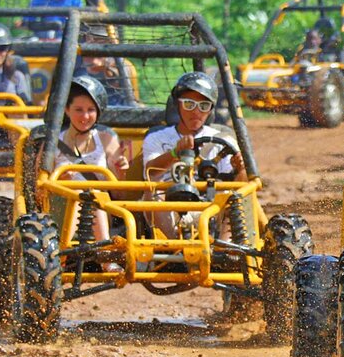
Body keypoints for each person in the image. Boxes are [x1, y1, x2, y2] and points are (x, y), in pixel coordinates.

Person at [142, 72, 246, 238]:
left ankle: (225, 252)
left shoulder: (223, 140)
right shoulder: (157, 137)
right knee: (152, 188)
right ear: (177, 105)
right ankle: (170, 248)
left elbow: (239, 187)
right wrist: (175, 153)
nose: (196, 112)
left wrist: (240, 169)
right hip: (168, 206)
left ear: (211, 109)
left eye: (203, 106)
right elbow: (150, 172)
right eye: (189, 104)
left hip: (211, 207)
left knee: (237, 196)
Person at [54, 75, 129, 273]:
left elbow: (117, 188)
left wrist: (120, 169)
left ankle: (104, 258)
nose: (85, 116)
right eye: (78, 110)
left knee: (91, 196)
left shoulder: (106, 137)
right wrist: (60, 178)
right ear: (66, 110)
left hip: (99, 203)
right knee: (79, 197)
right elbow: (38, 182)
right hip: (59, 205)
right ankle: (59, 259)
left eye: (91, 110)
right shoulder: (52, 140)